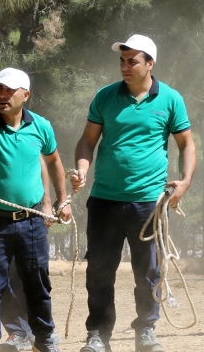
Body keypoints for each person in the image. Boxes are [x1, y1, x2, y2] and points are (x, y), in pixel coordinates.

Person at [71, 35, 196, 352]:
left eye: (132, 61)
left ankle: (146, 331)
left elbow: (186, 145)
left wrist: (184, 182)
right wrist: (83, 169)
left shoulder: (169, 99)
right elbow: (87, 141)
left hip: (149, 204)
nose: (125, 67)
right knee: (99, 269)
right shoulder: (105, 97)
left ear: (150, 63)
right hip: (104, 200)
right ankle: (98, 334)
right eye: (122, 61)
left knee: (149, 272)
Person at [0, 68, 72, 352]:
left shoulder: (41, 126)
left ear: (26, 95)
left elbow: (54, 161)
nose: (2, 95)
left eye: (9, 90)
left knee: (37, 284)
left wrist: (62, 199)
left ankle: (45, 341)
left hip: (32, 221)